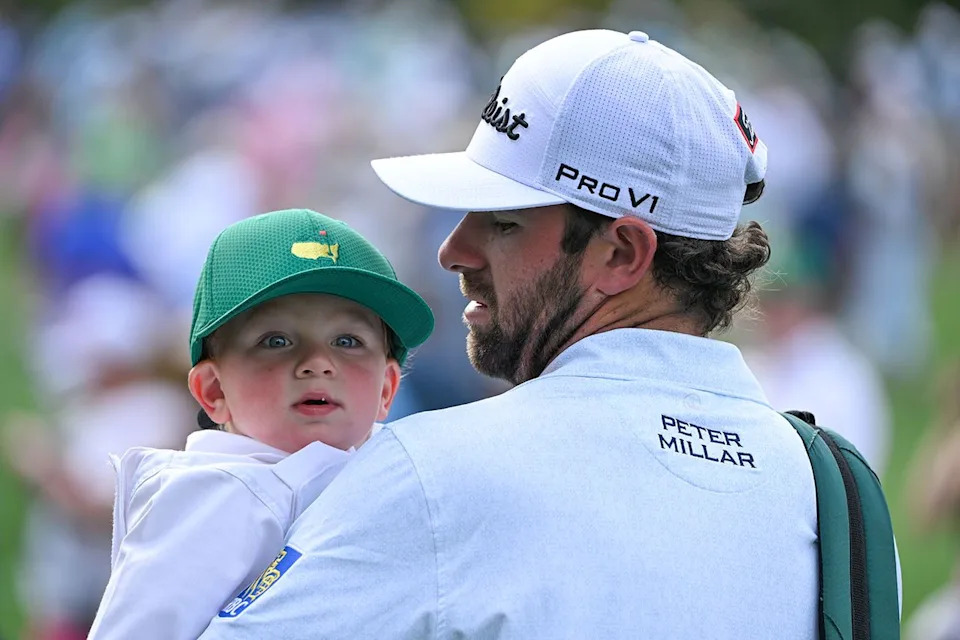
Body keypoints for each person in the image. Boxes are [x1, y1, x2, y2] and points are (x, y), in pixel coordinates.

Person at [199, 29, 832, 638]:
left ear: (621, 254)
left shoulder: (428, 475)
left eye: (502, 223)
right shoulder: (833, 491)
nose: (454, 250)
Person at [87, 208, 434, 640]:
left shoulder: (408, 471)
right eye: (277, 341)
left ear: (387, 388)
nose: (318, 363)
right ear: (214, 391)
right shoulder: (211, 500)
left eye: (348, 341)